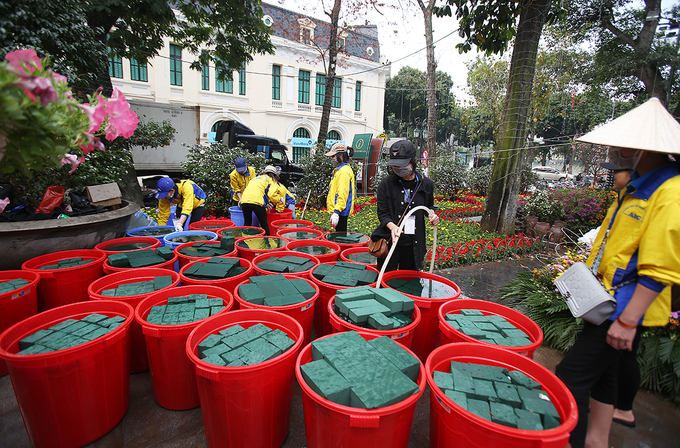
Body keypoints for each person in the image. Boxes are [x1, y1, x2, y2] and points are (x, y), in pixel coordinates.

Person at [555, 98, 680, 448]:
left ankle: (574, 442)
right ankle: (598, 439)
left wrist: (628, 321)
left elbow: (661, 265)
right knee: (606, 373)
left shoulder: (670, 191)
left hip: (621, 306)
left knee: (569, 377)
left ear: (645, 144)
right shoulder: (638, 184)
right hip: (603, 298)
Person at [371, 140, 439, 272]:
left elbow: (429, 207)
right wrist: (392, 227)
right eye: (395, 166)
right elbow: (383, 214)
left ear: (414, 161)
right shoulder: (386, 185)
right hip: (390, 241)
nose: (399, 169)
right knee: (386, 280)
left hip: (414, 244)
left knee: (409, 281)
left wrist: (432, 215)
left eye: (403, 165)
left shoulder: (426, 184)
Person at [240, 165, 280, 235]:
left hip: (244, 201)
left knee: (247, 224)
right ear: (274, 175)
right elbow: (272, 195)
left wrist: (266, 203)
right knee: (264, 224)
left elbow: (258, 192)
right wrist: (279, 198)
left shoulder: (256, 178)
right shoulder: (271, 180)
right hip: (257, 203)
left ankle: (243, 241)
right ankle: (267, 242)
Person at [325, 143, 355, 232]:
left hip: (341, 212)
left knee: (340, 237)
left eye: (333, 156)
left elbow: (342, 193)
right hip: (340, 211)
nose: (332, 158)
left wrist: (337, 212)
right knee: (339, 236)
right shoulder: (340, 170)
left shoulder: (344, 172)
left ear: (341, 155)